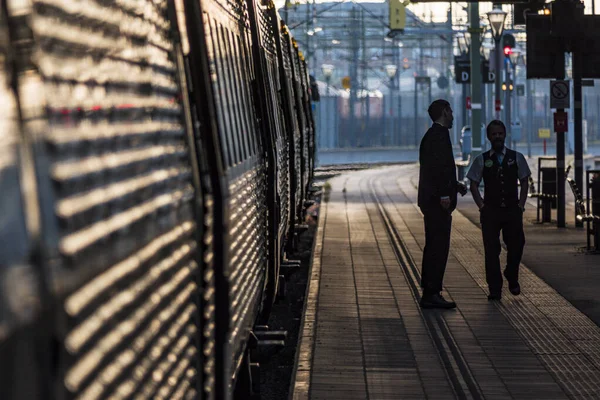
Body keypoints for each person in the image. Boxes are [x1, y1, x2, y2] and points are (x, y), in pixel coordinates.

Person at [466, 120, 531, 301]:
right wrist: (481, 206)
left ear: (505, 135)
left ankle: (511, 273)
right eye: (494, 134)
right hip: (491, 212)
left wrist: (521, 205)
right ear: (489, 137)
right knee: (491, 251)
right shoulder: (482, 159)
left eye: (500, 133)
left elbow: (525, 180)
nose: (497, 137)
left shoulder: (516, 157)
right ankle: (495, 288)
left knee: (517, 245)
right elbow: (473, 183)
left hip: (512, 210)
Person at [418, 99, 467, 309]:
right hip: (437, 204)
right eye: (451, 111)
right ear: (445, 112)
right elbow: (436, 170)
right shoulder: (438, 137)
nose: (453, 115)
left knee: (434, 246)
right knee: (438, 248)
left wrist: (454, 186)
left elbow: (438, 171)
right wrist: (444, 194)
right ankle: (432, 292)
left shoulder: (434, 135)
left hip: (433, 200)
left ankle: (431, 290)